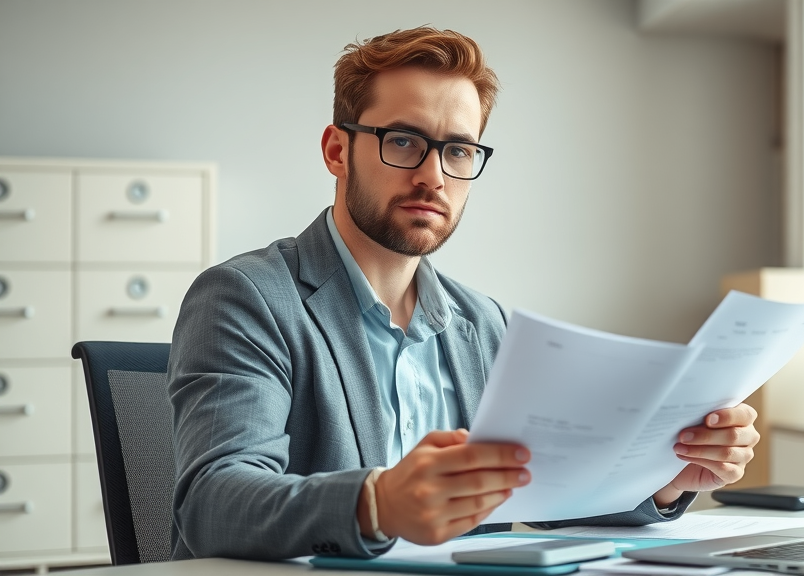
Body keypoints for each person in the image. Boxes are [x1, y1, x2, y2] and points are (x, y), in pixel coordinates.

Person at [168, 26, 760, 561]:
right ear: (337, 150)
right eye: (403, 140)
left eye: (458, 150)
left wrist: (667, 479)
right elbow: (214, 502)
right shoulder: (244, 298)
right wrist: (377, 504)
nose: (434, 175)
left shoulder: (483, 323)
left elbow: (548, 492)